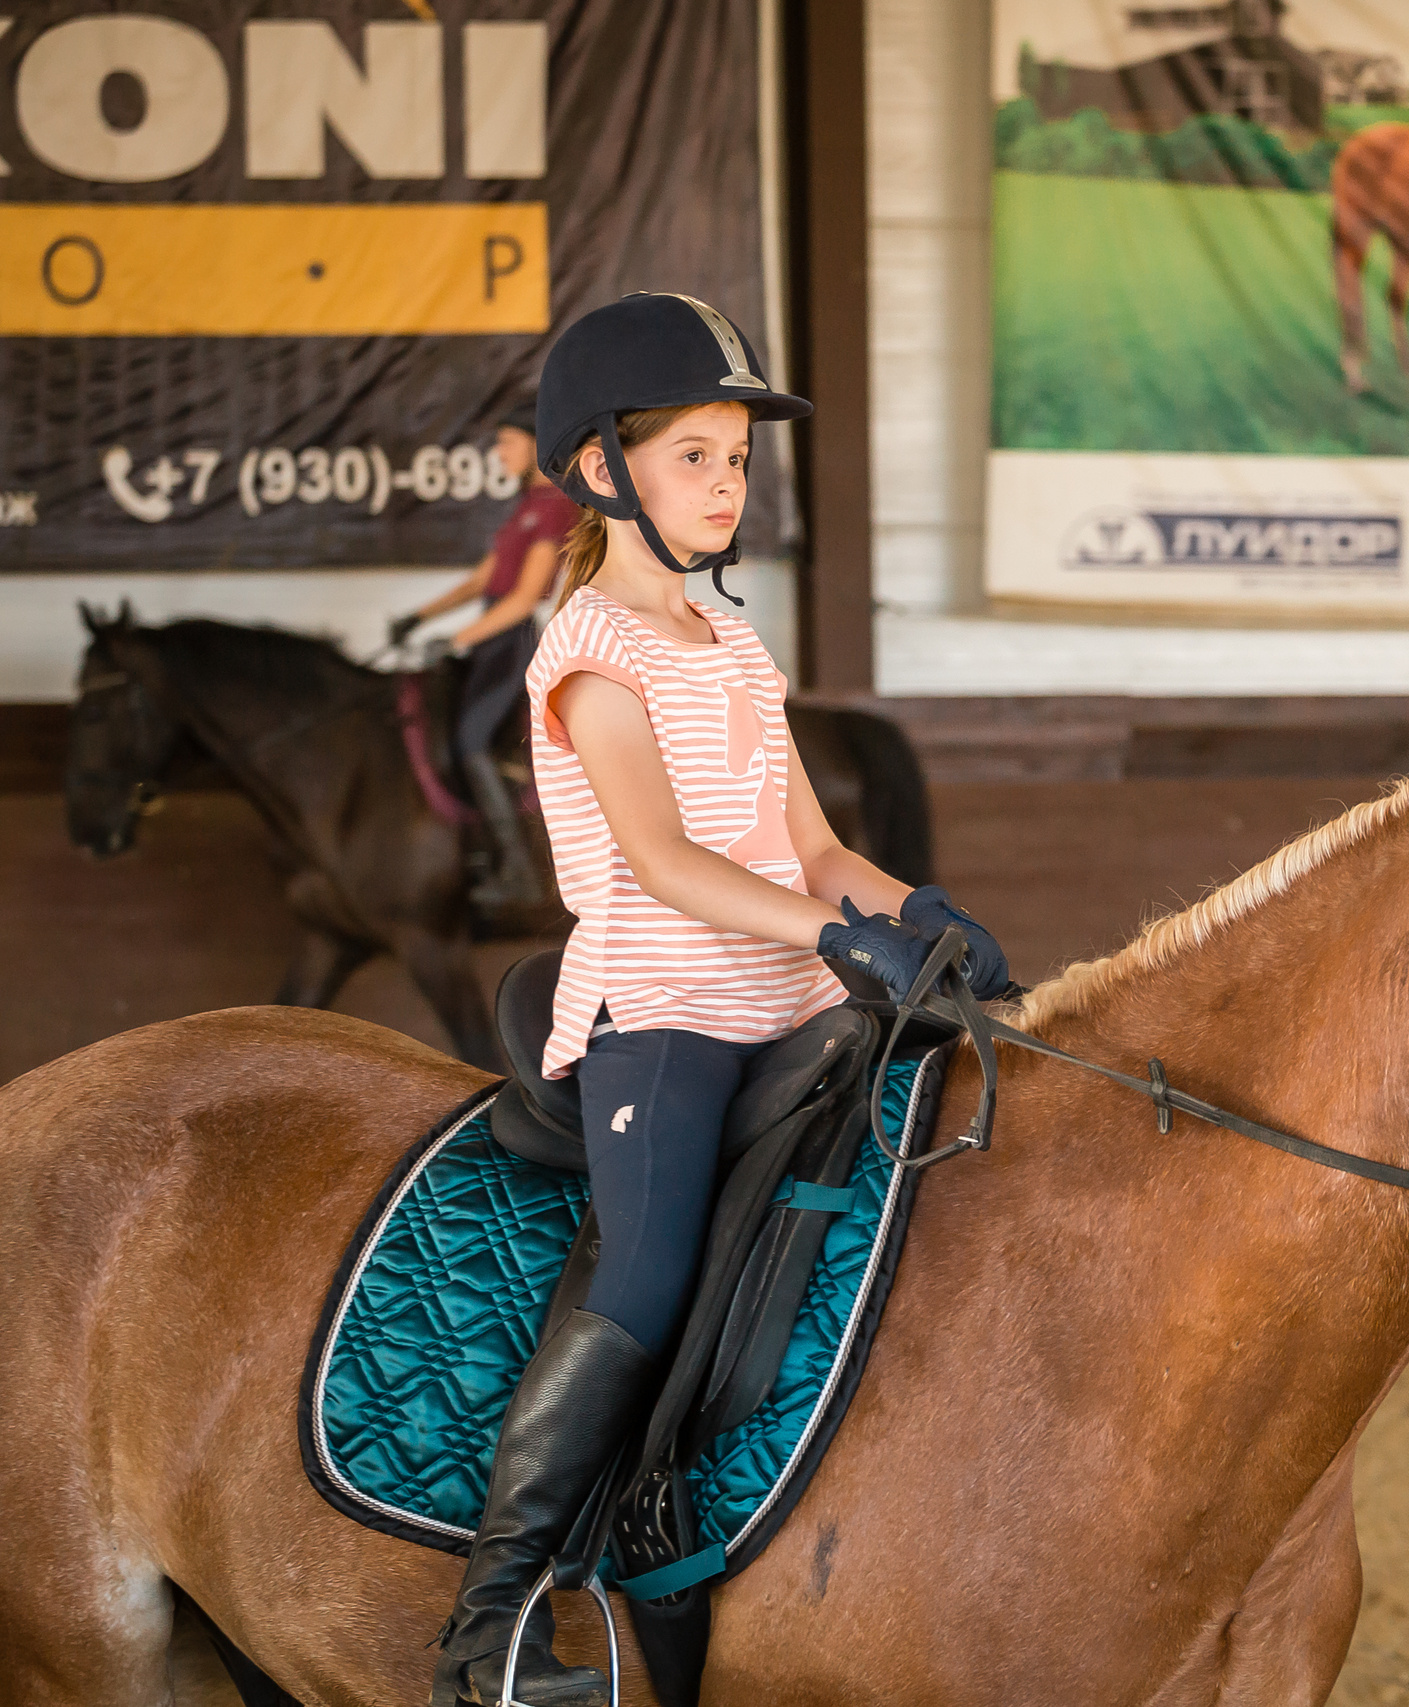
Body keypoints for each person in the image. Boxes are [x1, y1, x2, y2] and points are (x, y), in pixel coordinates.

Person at [428, 292, 1012, 1707]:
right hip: (665, 1016)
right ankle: (494, 1624)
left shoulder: (735, 647)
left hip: (793, 1004)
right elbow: (666, 860)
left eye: (738, 458)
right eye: (694, 454)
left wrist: (917, 918)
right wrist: (837, 934)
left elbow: (813, 844)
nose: (727, 482)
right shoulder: (588, 653)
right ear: (600, 469)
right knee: (644, 1269)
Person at [388, 405, 578, 910]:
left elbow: (522, 598)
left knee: (472, 741)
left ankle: (520, 873)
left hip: (512, 641)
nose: (499, 454)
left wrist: (455, 641)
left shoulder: (557, 506)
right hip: (493, 634)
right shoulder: (526, 506)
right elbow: (483, 580)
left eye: (507, 443)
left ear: (538, 445)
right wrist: (420, 616)